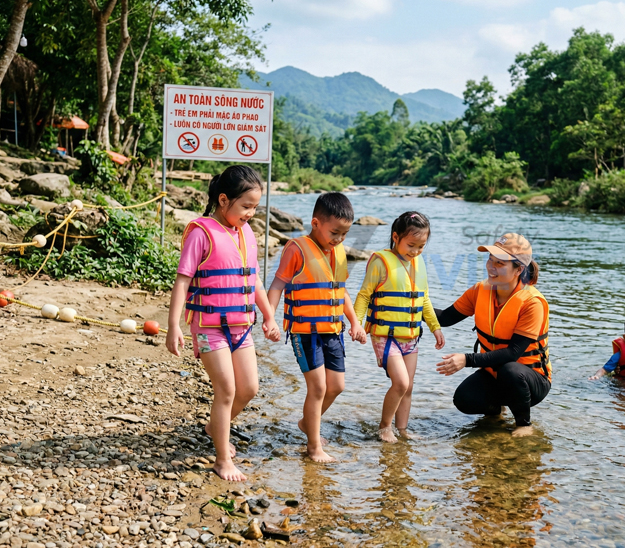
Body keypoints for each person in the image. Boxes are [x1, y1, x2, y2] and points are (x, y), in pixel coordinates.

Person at [166, 165, 281, 482]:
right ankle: (222, 460)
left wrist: (269, 316)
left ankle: (215, 427)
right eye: (246, 206)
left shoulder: (246, 234)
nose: (251, 214)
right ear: (223, 200)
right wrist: (173, 325)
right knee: (227, 390)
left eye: (255, 207)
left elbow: (252, 279)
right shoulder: (201, 233)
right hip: (209, 326)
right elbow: (182, 281)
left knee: (249, 388)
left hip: (241, 327)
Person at [267, 192, 367, 463]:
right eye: (335, 232)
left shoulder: (337, 252)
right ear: (315, 223)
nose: (339, 239)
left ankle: (306, 424)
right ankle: (314, 447)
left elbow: (340, 291)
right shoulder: (296, 248)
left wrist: (355, 322)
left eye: (345, 234)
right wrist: (269, 318)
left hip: (333, 329)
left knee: (336, 386)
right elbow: (277, 285)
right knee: (318, 388)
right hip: (305, 331)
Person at [435, 233, 550, 437]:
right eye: (490, 259)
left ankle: (524, 424)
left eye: (499, 263)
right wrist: (412, 304)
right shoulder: (480, 290)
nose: (491, 266)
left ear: (519, 269)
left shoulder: (532, 303)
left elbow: (513, 353)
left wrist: (467, 360)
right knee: (464, 399)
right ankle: (497, 411)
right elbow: (445, 318)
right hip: (494, 373)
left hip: (530, 380)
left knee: (511, 370)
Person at [354, 212, 445, 443]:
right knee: (401, 383)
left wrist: (435, 327)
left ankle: (402, 430)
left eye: (421, 246)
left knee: (409, 386)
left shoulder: (419, 262)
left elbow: (423, 299)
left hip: (411, 335)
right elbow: (364, 295)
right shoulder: (380, 261)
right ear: (395, 237)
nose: (415, 251)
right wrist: (356, 323)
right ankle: (385, 427)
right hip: (385, 335)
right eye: (411, 245)